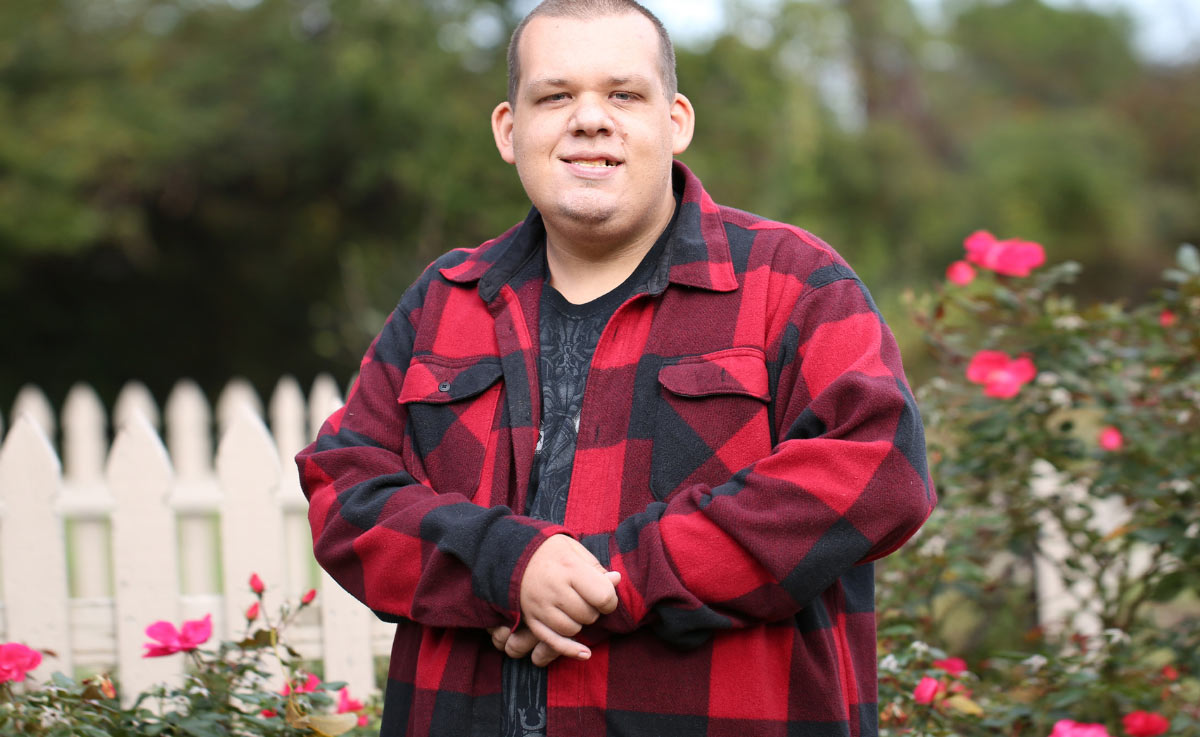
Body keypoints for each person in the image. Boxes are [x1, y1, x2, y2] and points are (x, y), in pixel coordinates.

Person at [296, 1, 936, 735]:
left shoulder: (791, 283)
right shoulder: (446, 300)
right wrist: (505, 565)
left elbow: (879, 467)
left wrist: (612, 577)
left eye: (624, 94)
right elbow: (344, 486)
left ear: (677, 120)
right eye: (556, 95)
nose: (590, 119)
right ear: (510, 130)